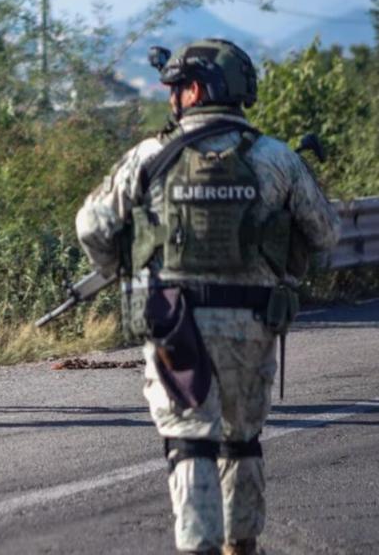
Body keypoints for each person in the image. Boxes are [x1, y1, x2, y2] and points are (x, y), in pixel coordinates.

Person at [75, 39, 339, 554]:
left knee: (190, 437)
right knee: (241, 439)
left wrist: (120, 269)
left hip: (176, 324)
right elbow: (326, 234)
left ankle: (198, 546)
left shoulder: (150, 156)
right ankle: (242, 545)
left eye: (175, 88)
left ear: (195, 90)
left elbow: (92, 226)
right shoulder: (275, 157)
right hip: (254, 323)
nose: (171, 98)